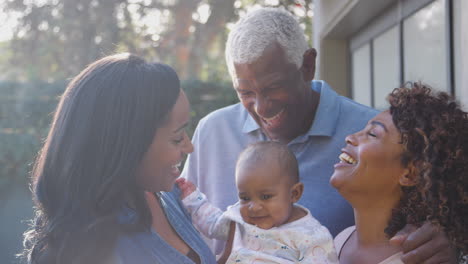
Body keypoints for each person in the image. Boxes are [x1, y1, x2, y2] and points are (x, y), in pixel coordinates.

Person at [181, 7, 458, 263]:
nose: (261, 107)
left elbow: (439, 197)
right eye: (246, 93)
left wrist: (453, 240)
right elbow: (179, 220)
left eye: (273, 87)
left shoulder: (370, 132)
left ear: (308, 65)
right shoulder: (211, 132)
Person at [21, 53, 217, 264]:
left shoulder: (168, 195)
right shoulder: (91, 251)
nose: (190, 147)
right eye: (177, 138)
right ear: (129, 145)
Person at [332, 83, 468, 263]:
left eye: (372, 134)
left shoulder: (419, 258)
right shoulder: (341, 241)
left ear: (410, 174)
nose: (350, 137)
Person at [178, 142, 338, 263]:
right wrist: (192, 198)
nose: (253, 207)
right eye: (245, 198)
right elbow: (213, 224)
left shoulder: (312, 237)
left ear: (294, 193)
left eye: (266, 197)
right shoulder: (238, 219)